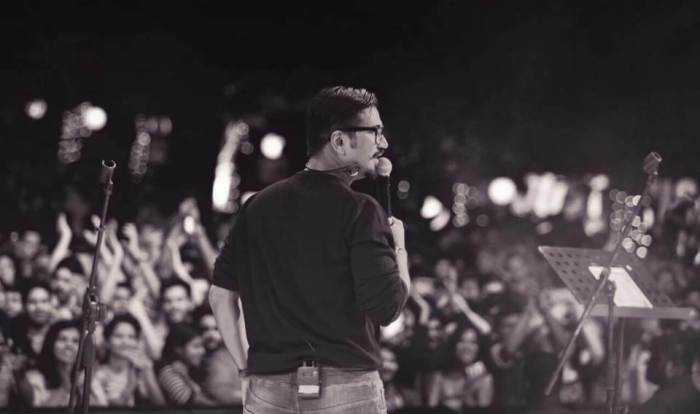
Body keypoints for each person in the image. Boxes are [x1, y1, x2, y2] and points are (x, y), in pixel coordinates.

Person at [209, 86, 411, 413]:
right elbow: (387, 308)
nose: (383, 143)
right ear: (339, 141)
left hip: (268, 388)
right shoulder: (360, 209)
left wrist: (245, 369)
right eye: (375, 132)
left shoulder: (256, 207)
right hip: (347, 388)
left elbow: (220, 297)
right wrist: (399, 247)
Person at [91, 314, 165, 407]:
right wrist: (130, 387)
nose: (125, 342)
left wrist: (148, 371)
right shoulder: (97, 375)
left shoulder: (141, 370)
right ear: (107, 341)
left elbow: (161, 407)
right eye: (118, 336)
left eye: (131, 337)